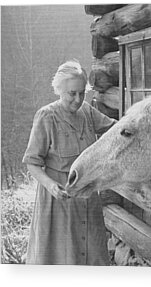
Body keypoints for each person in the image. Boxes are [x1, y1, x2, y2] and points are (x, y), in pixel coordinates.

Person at [22, 60, 117, 265]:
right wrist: (50, 185)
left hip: (87, 197)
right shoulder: (46, 117)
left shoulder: (88, 112)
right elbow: (32, 162)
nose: (77, 99)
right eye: (71, 94)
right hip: (59, 200)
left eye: (82, 93)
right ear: (59, 90)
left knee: (91, 257)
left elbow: (115, 130)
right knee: (61, 260)